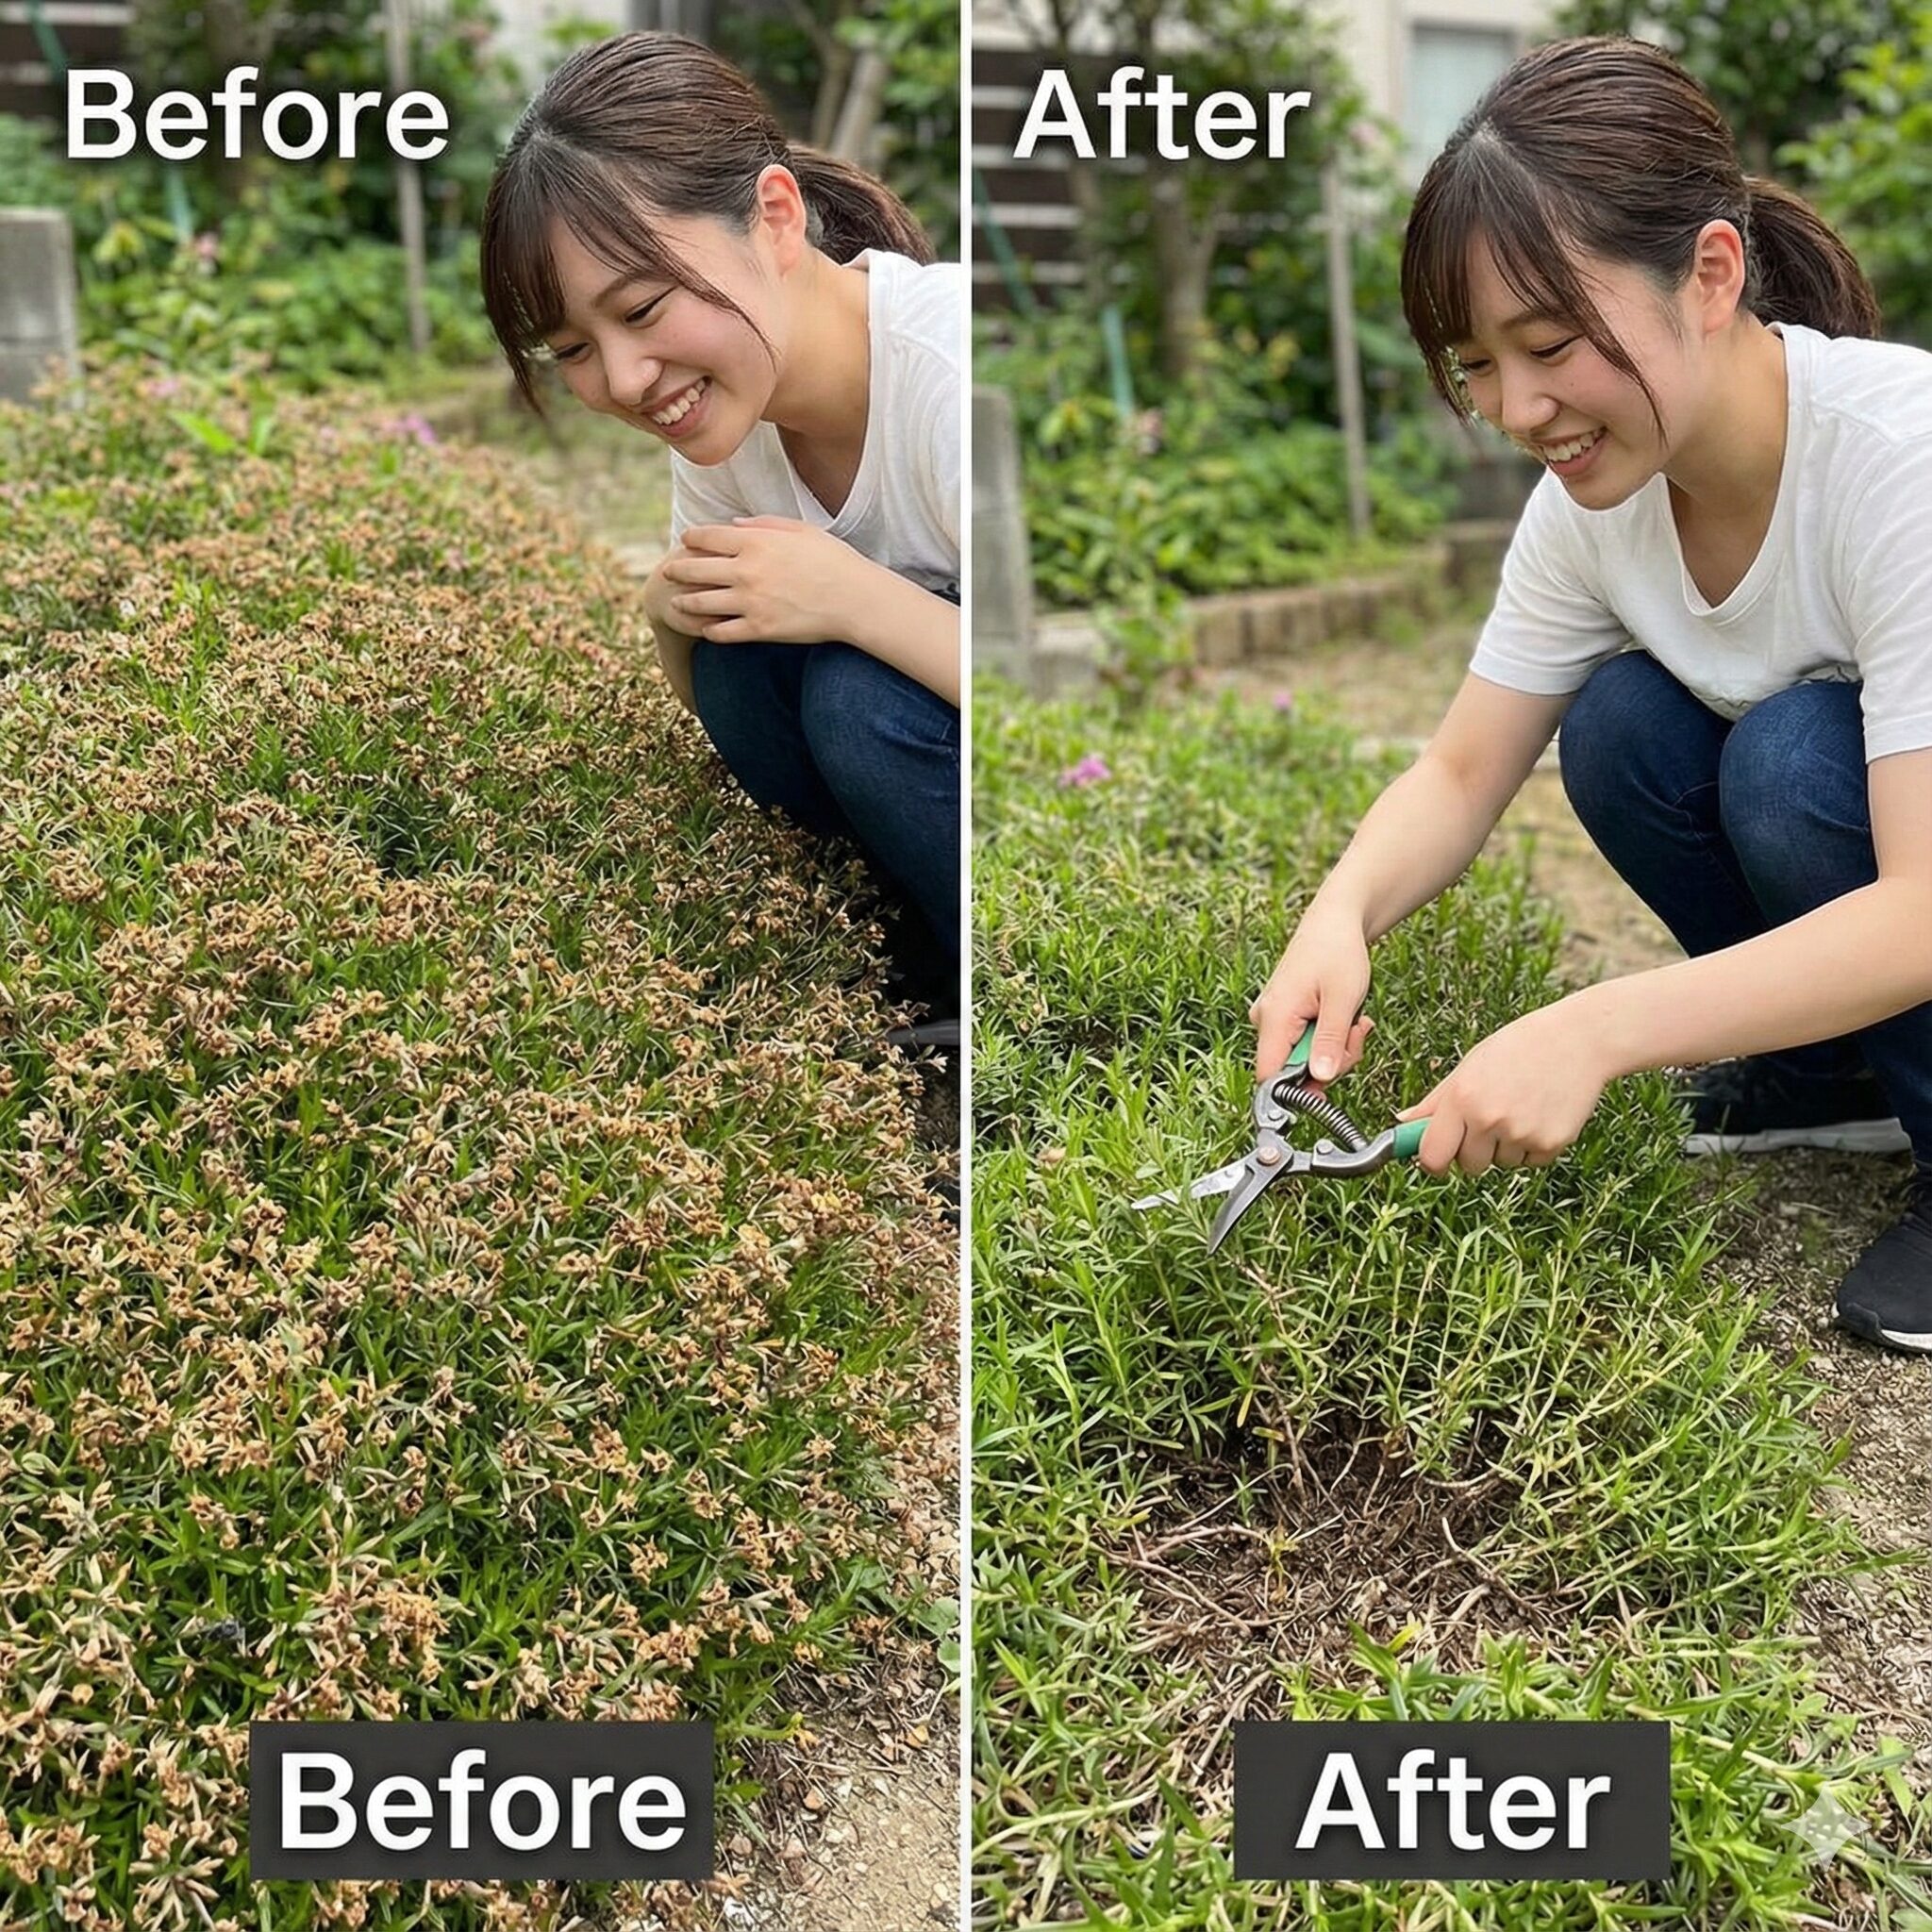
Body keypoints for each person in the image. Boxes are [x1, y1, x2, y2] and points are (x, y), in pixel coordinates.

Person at [1250, 36, 1932, 1355]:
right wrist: (1339, 915)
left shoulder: (1895, 461)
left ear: (1711, 275)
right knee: (1620, 726)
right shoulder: (1593, 507)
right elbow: (1460, 769)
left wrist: (1596, 1030)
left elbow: (1919, 906)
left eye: (1550, 342)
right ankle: (1825, 1077)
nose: (1517, 408)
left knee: (1791, 759)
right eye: (1475, 365)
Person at [479, 32, 961, 1020]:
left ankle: (980, 981)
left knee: (856, 698)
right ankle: (898, 969)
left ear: (774, 217)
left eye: (642, 308)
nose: (624, 380)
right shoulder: (724, 418)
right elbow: (727, 701)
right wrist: (667, 614)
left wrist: (855, 600)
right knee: (739, 657)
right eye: (574, 349)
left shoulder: (949, 370)